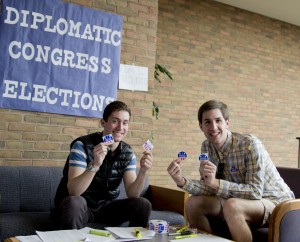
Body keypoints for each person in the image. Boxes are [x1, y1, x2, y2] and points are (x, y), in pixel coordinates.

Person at [167, 100, 294, 242]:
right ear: (201, 126)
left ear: (227, 123)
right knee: (193, 203)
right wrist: (182, 181)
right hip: (237, 200)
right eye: (207, 122)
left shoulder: (249, 144)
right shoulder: (207, 147)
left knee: (232, 205)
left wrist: (216, 183)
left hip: (277, 203)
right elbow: (209, 187)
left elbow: (255, 191)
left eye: (218, 120)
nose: (213, 127)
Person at [54, 101, 153, 229]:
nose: (120, 128)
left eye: (125, 122)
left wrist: (143, 171)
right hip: (78, 208)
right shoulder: (82, 146)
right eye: (115, 121)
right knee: (75, 202)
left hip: (105, 208)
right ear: (103, 122)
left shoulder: (128, 153)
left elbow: (132, 194)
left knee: (142, 204)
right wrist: (95, 164)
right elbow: (74, 191)